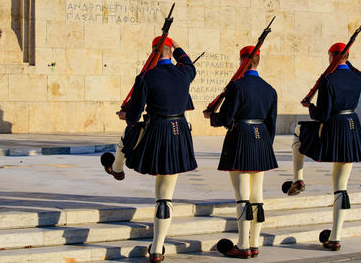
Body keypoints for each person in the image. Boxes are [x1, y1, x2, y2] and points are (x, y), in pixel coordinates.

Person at [113, 36, 197, 263]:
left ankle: (116, 167)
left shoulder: (146, 77)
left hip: (157, 131)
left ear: (152, 53)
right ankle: (158, 249)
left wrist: (125, 114)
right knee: (165, 195)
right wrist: (178, 45)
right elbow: (188, 63)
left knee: (129, 137)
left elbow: (133, 116)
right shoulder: (185, 74)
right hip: (179, 132)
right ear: (170, 52)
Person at [287, 42, 361, 251]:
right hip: (352, 127)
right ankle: (335, 237)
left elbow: (322, 114)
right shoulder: (359, 77)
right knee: (341, 186)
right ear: (348, 56)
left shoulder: (328, 80)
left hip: (334, 128)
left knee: (298, 133)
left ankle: (298, 179)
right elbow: (354, 69)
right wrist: (341, 62)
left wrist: (310, 107)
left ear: (331, 57)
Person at [204, 46, 278, 259]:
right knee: (257, 195)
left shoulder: (237, 86)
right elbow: (271, 124)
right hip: (261, 138)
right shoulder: (269, 89)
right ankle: (254, 244)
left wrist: (212, 117)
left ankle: (243, 245)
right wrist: (265, 145)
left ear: (241, 61)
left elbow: (226, 119)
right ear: (258, 61)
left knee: (242, 196)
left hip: (241, 137)